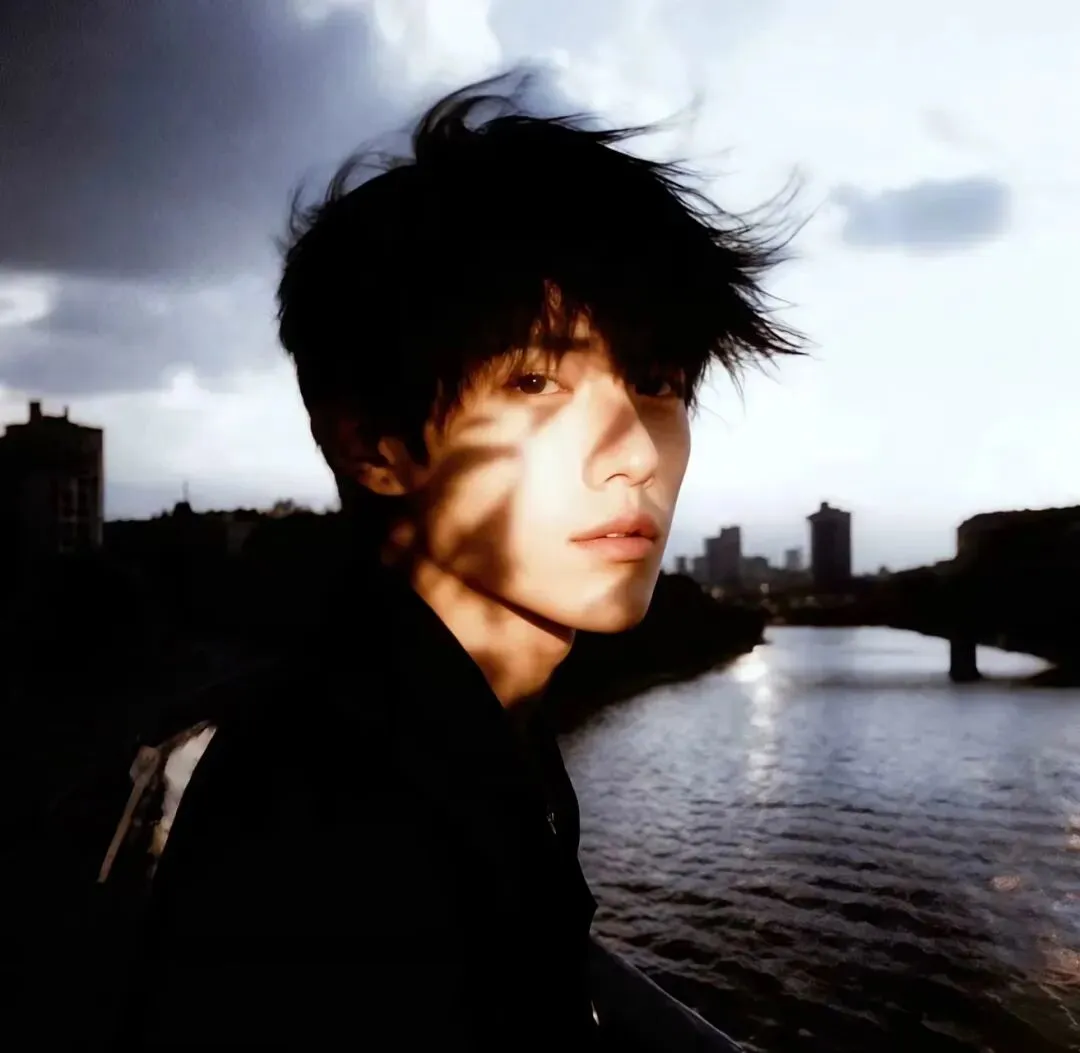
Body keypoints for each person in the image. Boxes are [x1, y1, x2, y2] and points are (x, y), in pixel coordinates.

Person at [105, 72, 802, 1050]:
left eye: (656, 383)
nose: (636, 454)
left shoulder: (456, 736)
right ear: (375, 445)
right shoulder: (336, 838)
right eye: (537, 382)